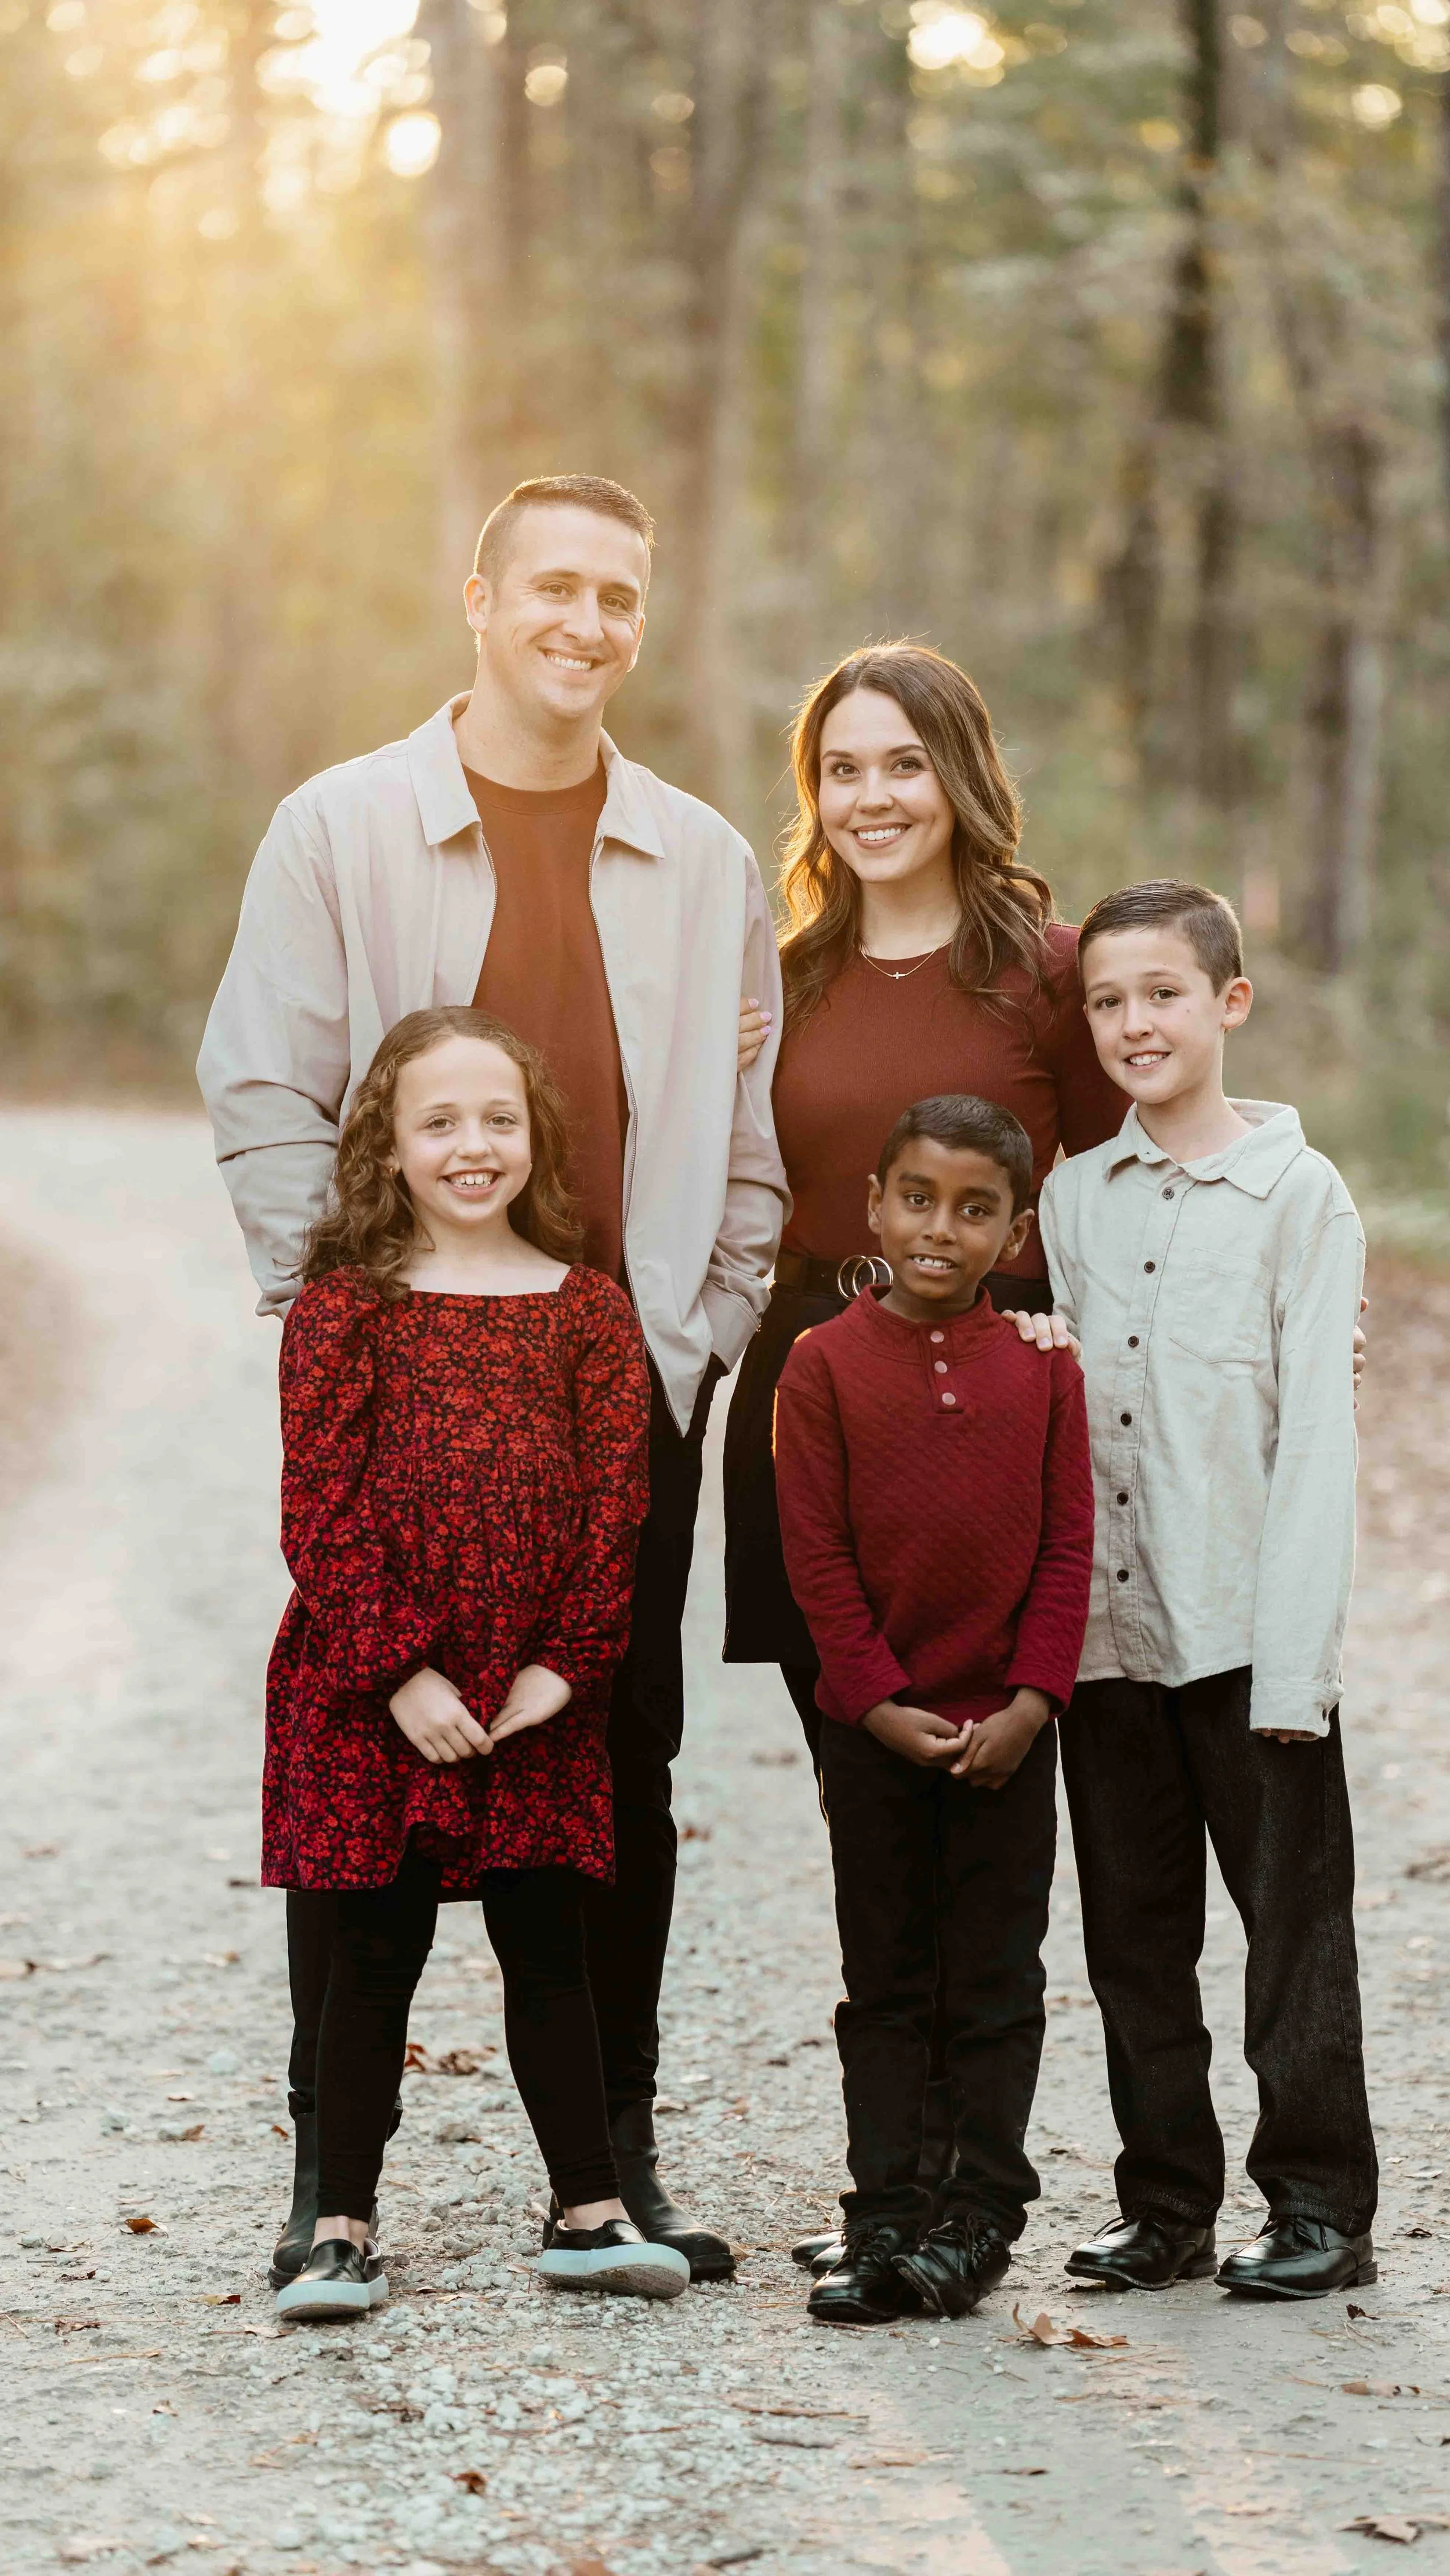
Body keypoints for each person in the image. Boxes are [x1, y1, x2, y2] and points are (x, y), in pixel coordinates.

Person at [198, 474, 786, 2289]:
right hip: (404, 1389)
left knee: (609, 1761)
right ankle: (329, 2188)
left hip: (616, 1399)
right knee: (368, 1764)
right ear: (477, 597)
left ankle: (608, 2169)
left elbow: (746, 1147)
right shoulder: (342, 826)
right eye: (552, 585)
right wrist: (344, 1322)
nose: (585, 622)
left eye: (618, 595)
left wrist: (690, 1345)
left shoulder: (701, 859)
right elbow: (262, 1089)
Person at [722, 641, 1123, 2262]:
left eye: (901, 763)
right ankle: (896, 2193)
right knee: (870, 1817)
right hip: (818, 1396)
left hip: (1001, 1404)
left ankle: (976, 2197)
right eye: (841, 767)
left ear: (958, 774)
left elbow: (1128, 1180)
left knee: (991, 1848)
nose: (871, 796)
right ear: (812, 795)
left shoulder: (1050, 968)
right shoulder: (783, 970)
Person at [269, 1006, 692, 2318]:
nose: (472, 1145)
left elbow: (615, 1510)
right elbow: (319, 1513)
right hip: (371, 1691)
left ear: (536, 1140)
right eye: (438, 1121)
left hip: (530, 1697)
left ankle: (589, 2207)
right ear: (386, 1147)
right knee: (370, 1948)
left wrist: (562, 1672)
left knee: (548, 1943)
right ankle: (338, 2224)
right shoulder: (347, 1310)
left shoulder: (586, 1313)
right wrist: (402, 1674)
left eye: (498, 1119)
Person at [1041, 880, 1378, 2301]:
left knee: (1291, 1936)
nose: (1134, 1023)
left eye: (1163, 993)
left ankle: (1315, 2206)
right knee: (1132, 1939)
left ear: (1228, 1003)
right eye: (1107, 1000)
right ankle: (1163, 2201)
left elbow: (1315, 1441)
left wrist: (1297, 1664)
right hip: (1110, 1635)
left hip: (1248, 1632)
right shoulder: (1070, 1196)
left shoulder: (1299, 1199)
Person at [773, 1095, 1094, 2325]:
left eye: (973, 1210)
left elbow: (1067, 1551)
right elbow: (817, 1561)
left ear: (1014, 1229)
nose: (939, 1230)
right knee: (887, 1978)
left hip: (1008, 1734)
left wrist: (1030, 1702)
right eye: (917, 1198)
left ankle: (974, 2219)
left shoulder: (1045, 1368)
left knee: (996, 1981)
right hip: (878, 1735)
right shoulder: (819, 1365)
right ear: (872, 1204)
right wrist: (874, 1703)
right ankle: (886, 2213)